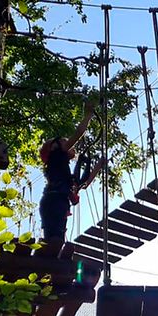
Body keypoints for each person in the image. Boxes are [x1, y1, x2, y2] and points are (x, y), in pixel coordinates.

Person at [38, 99, 96, 253]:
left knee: (53, 239)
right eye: (61, 141)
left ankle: (49, 258)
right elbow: (77, 134)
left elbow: (82, 183)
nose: (65, 142)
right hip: (56, 201)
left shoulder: (59, 170)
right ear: (55, 147)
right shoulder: (56, 156)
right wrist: (88, 115)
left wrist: (99, 166)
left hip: (55, 201)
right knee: (56, 240)